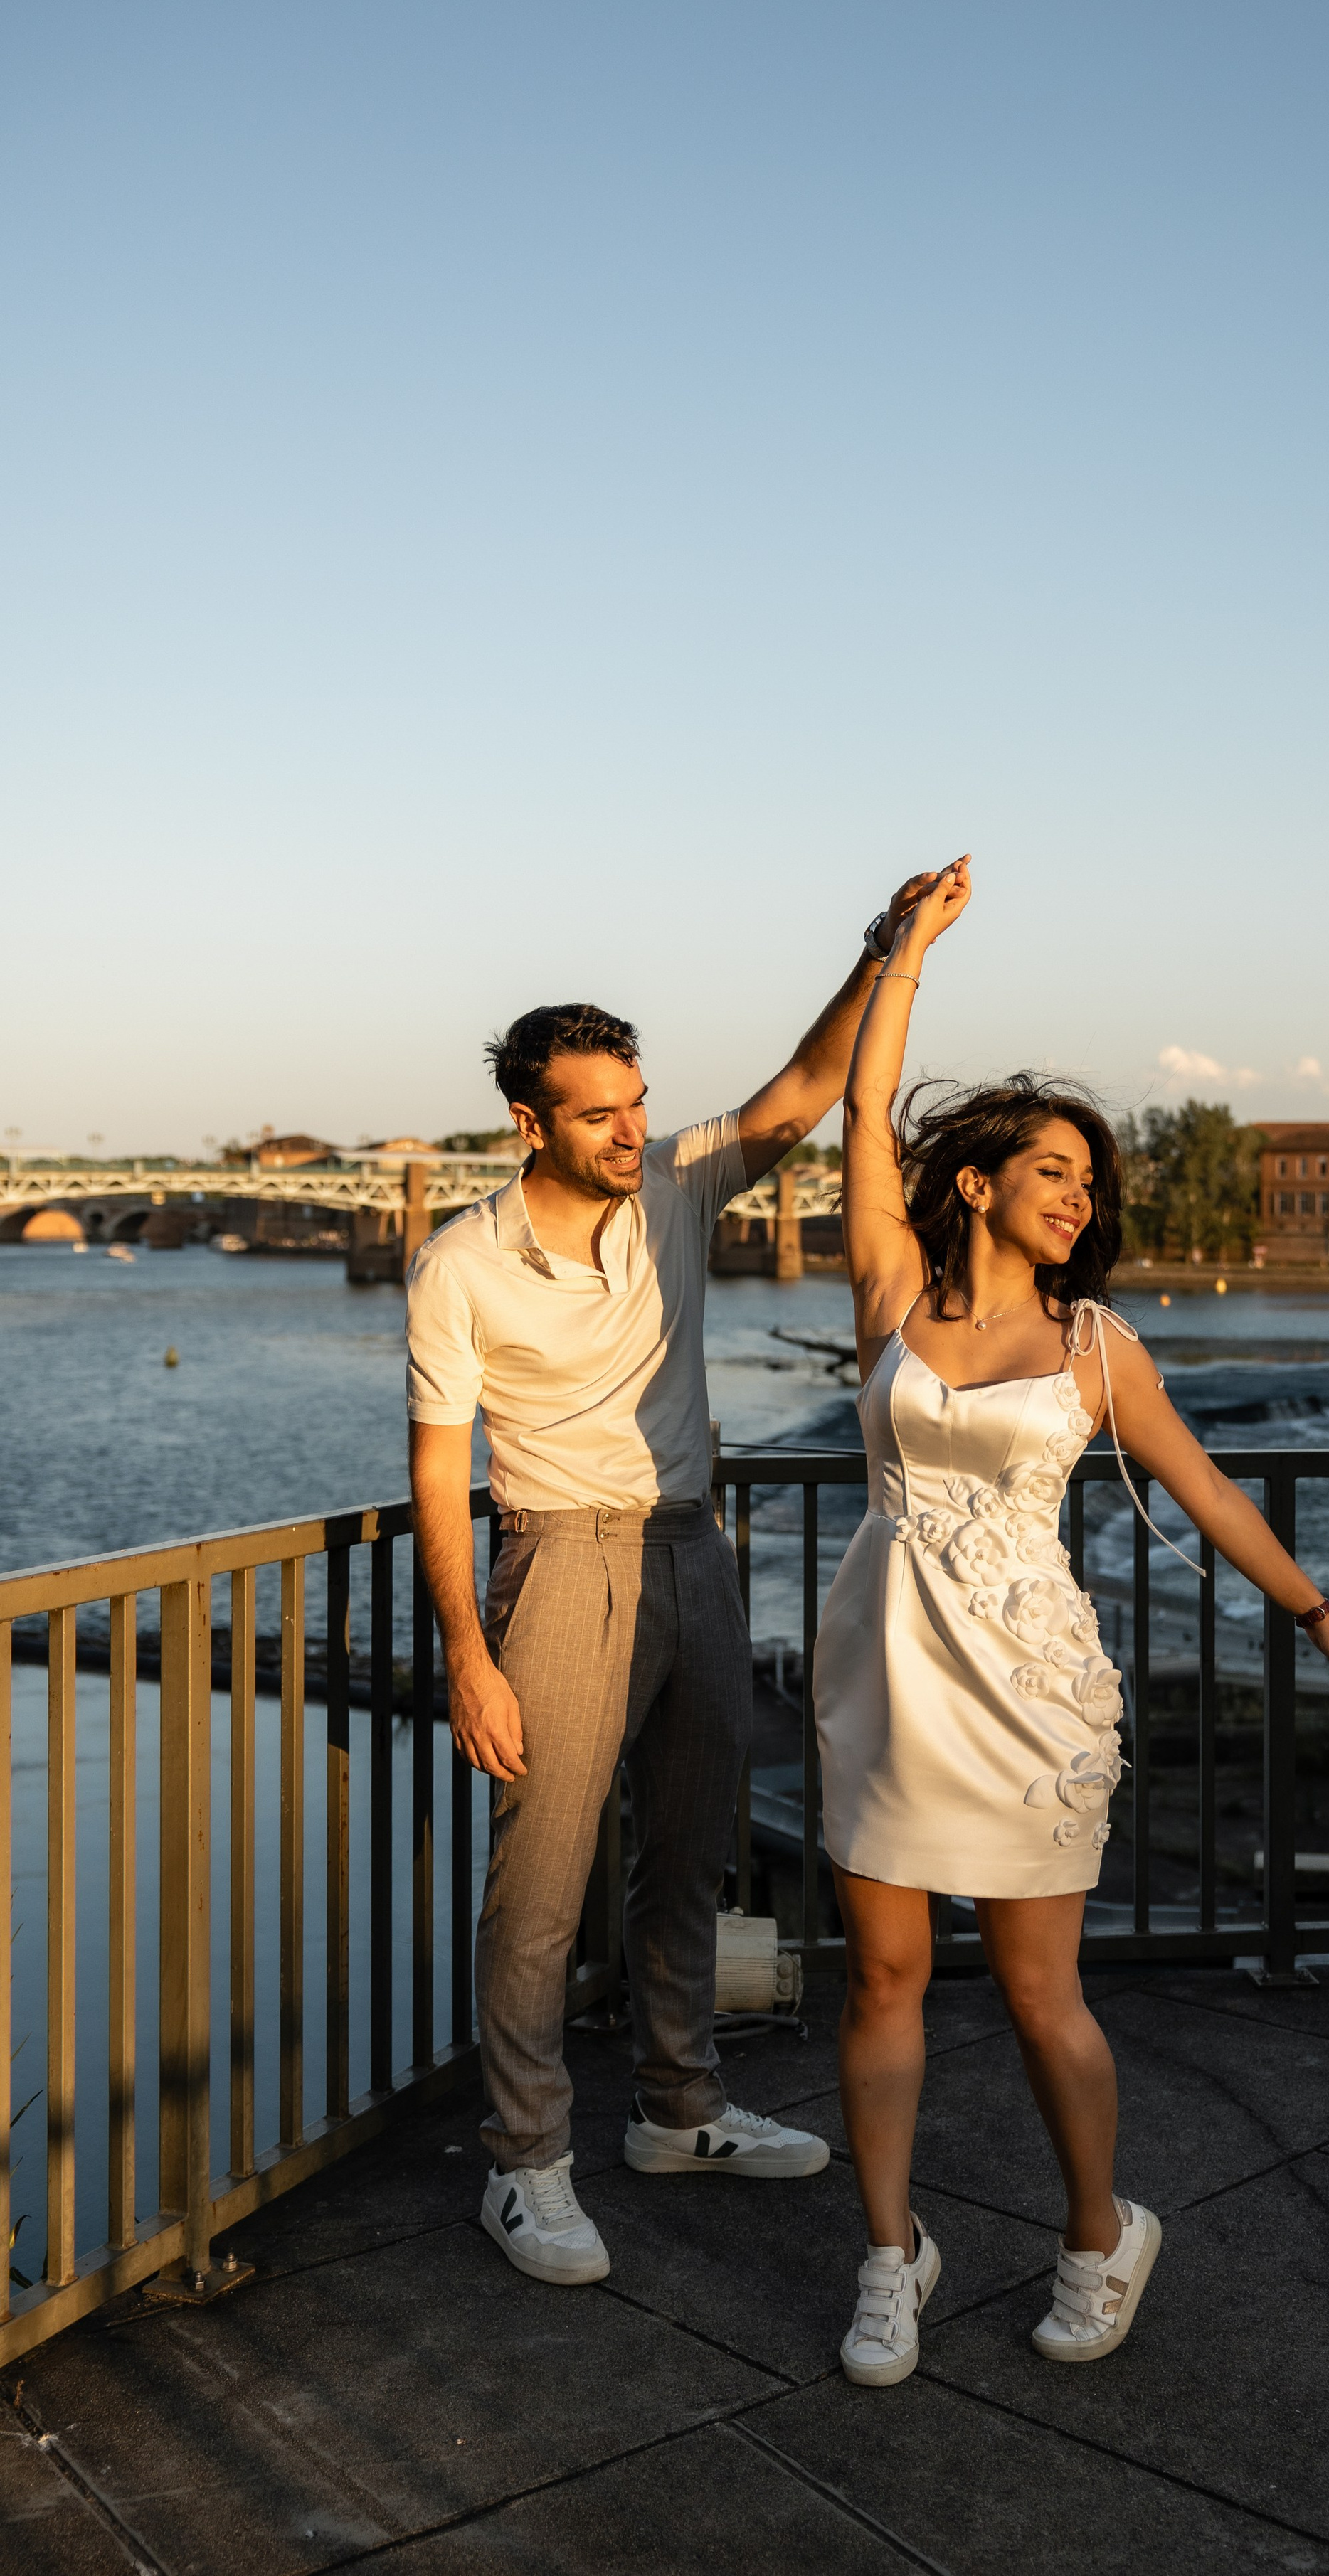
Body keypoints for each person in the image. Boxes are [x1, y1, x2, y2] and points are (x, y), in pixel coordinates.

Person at [817, 859, 1329, 2384]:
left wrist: (1318, 1616)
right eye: (1053, 1171)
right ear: (975, 1184)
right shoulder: (889, 1293)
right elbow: (863, 1113)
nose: (1079, 1198)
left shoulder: (1094, 1348)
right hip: (883, 1676)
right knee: (881, 1981)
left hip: (1028, 1692)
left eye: (1089, 1180)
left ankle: (1098, 2232)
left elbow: (1205, 1492)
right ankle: (889, 2257)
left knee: (1037, 1994)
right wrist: (907, 950)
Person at [407, 874, 932, 2287]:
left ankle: (677, 2108)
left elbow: (803, 1093)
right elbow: (438, 1470)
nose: (633, 1131)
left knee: (691, 1850)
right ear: (529, 1123)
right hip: (558, 1559)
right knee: (540, 1886)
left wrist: (881, 954)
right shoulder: (461, 1265)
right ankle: (524, 2165)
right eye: (599, 1114)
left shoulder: (679, 1184)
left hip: (694, 1546)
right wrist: (466, 1652)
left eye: (638, 1103)